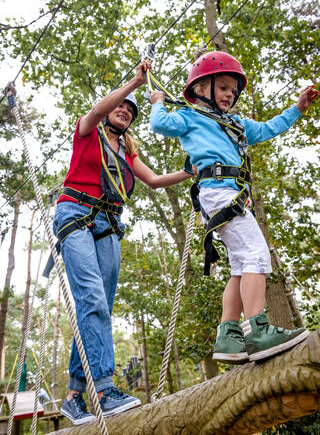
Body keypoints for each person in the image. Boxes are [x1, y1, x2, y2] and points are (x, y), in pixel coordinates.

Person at [149, 50, 318, 365]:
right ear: (201, 88)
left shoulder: (236, 125)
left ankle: (228, 337)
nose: (230, 94)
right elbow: (159, 124)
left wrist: (297, 108)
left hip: (228, 194)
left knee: (241, 266)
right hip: (219, 191)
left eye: (233, 90)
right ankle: (258, 329)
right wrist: (157, 100)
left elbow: (268, 129)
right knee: (256, 256)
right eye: (223, 87)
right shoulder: (190, 115)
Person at [53, 60, 194, 425]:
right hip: (75, 215)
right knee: (92, 298)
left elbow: (155, 180)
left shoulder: (127, 153)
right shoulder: (87, 132)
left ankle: (73, 396)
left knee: (99, 308)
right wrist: (135, 83)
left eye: (130, 111)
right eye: (120, 105)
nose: (123, 110)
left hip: (108, 224)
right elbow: (98, 108)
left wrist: (192, 171)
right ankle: (103, 389)